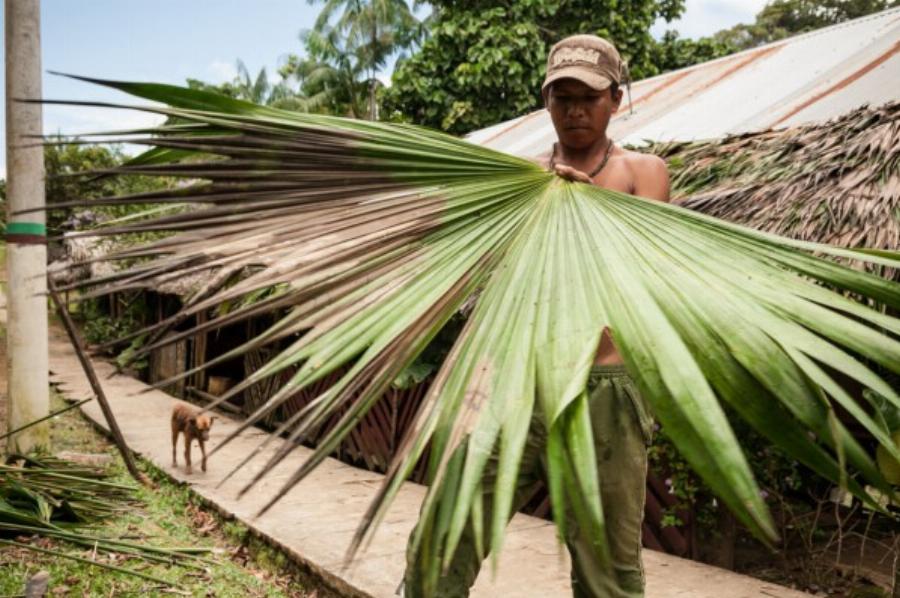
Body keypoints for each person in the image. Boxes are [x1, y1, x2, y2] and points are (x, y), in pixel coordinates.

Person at [404, 34, 671, 598]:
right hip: (516, 375)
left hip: (604, 382)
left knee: (608, 570)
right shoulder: (516, 179)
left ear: (615, 100)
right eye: (562, 97)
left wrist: (585, 206)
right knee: (442, 538)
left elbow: (644, 274)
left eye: (589, 97)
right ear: (546, 103)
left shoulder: (643, 172)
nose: (575, 109)